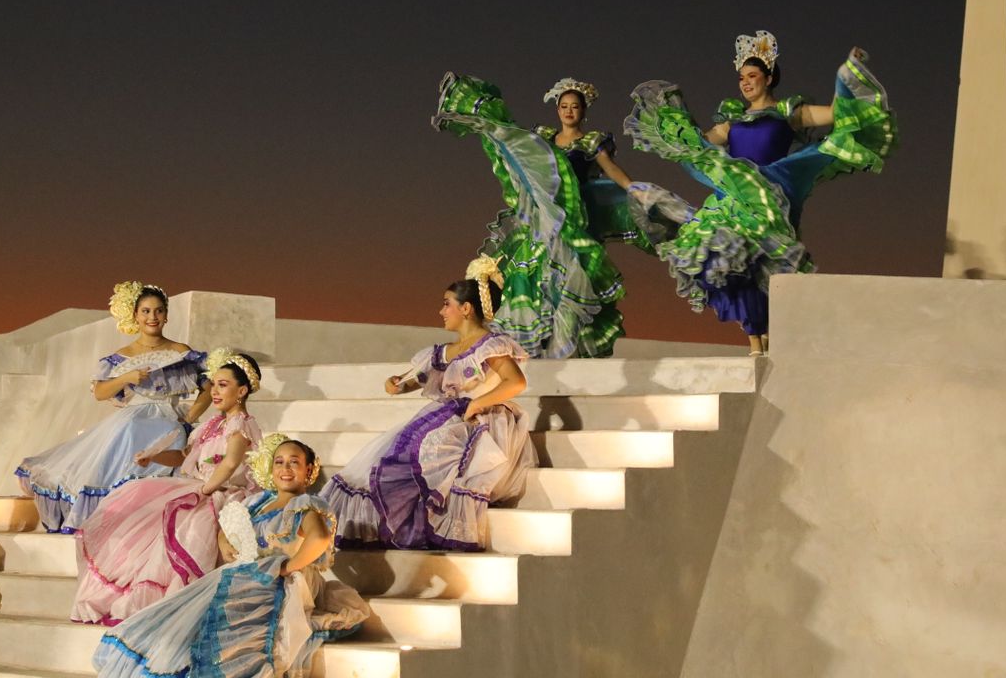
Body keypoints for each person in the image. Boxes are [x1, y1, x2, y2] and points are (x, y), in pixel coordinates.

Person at [625, 31, 895, 355]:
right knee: (720, 256)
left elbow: (836, 115)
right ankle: (754, 337)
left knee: (764, 264)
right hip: (734, 199)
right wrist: (678, 133)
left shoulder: (788, 112)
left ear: (768, 78)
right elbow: (703, 143)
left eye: (752, 76)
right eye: (741, 77)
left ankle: (767, 334)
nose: (745, 83)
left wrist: (846, 77)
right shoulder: (732, 120)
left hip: (771, 200)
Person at [92, 434, 369, 678]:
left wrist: (287, 567)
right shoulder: (259, 502)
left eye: (294, 463)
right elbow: (228, 532)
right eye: (279, 462)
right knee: (176, 630)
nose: (285, 469)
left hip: (281, 582)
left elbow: (317, 540)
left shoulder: (305, 506)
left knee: (231, 640)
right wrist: (230, 548)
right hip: (247, 572)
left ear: (309, 472)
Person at [323, 258, 535, 550]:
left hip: (482, 416)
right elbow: (419, 379)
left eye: (447, 303)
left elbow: (515, 382)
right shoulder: (444, 351)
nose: (441, 311)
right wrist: (397, 385)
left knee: (438, 450)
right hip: (449, 413)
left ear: (466, 308)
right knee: (395, 453)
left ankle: (434, 522)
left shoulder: (490, 344)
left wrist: (477, 404)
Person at [434, 74, 651, 358]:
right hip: (542, 217)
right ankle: (536, 341)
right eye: (564, 106)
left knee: (573, 277)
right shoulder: (544, 139)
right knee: (532, 271)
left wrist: (635, 190)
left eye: (575, 106)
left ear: (583, 110)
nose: (569, 111)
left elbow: (609, 169)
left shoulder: (591, 142)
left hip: (574, 219)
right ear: (558, 109)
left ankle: (568, 345)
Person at [71, 349, 263, 625]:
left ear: (242, 391)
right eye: (214, 385)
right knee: (143, 514)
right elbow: (185, 456)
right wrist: (154, 457)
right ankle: (136, 592)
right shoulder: (211, 425)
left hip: (225, 492)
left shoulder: (242, 425)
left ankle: (164, 596)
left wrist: (206, 490)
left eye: (223, 385)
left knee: (188, 523)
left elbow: (230, 464)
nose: (216, 392)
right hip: (200, 486)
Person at [16, 281, 209, 532]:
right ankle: (117, 511)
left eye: (159, 310)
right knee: (126, 435)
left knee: (173, 436)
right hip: (134, 418)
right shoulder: (123, 355)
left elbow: (208, 387)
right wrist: (125, 378)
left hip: (171, 417)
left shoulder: (181, 352)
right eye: (146, 311)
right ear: (136, 316)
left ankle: (157, 514)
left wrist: (191, 415)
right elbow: (99, 392)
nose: (153, 317)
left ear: (166, 315)